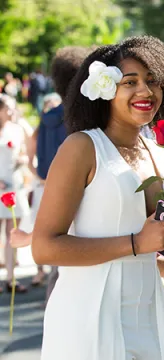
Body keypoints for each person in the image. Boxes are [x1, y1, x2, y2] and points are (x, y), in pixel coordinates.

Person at [32, 36, 164, 360]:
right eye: (130, 82)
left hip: (148, 316)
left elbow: (152, 254)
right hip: (89, 318)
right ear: (105, 89)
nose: (146, 91)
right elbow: (44, 247)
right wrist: (135, 243)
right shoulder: (81, 147)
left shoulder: (155, 153)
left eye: (153, 80)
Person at [30, 46, 93, 293]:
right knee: (64, 258)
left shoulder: (45, 119)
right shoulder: (79, 120)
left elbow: (39, 155)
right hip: (74, 193)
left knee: (56, 266)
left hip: (45, 187)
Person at [0, 94, 30, 294]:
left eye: (12, 108)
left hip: (14, 185)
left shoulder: (17, 129)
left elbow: (26, 152)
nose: (11, 111)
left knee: (13, 234)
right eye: (7, 108)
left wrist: (23, 160)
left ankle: (11, 278)